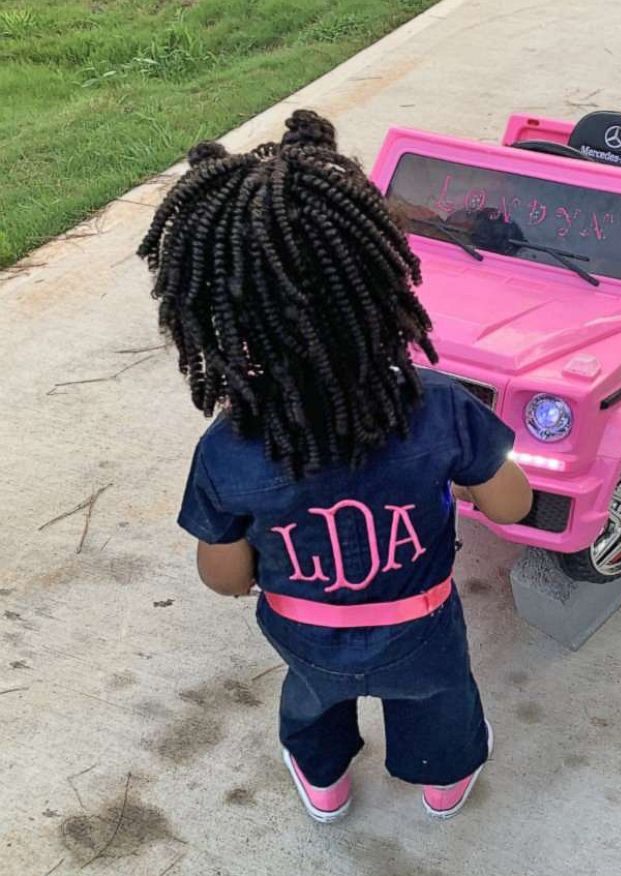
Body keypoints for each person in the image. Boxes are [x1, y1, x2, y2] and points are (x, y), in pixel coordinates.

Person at [137, 110, 532, 821]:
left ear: (218, 322)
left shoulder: (226, 449)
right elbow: (511, 507)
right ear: (380, 283)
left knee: (313, 696)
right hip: (422, 627)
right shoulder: (439, 407)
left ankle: (324, 781)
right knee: (440, 694)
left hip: (306, 633)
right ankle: (442, 781)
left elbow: (222, 577)